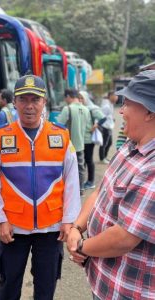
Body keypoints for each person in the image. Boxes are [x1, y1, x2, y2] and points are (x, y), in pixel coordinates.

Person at [0, 75, 81, 300]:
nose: (29, 106)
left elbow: (72, 181)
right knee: (9, 285)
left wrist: (69, 220)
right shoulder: (0, 138)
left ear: (44, 102)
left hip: (51, 229)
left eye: (35, 100)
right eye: (24, 99)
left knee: (46, 287)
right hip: (14, 228)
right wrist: (0, 219)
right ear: (15, 102)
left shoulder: (61, 137)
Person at [67, 70, 155, 300]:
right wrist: (77, 228)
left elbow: (125, 238)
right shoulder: (130, 145)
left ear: (149, 113)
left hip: (128, 292)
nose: (122, 111)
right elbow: (101, 189)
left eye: (128, 103)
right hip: (105, 282)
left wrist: (81, 247)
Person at [57, 89, 90, 195]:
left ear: (68, 96)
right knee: (80, 167)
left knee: (67, 168)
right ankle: (81, 189)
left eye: (65, 98)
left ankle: (69, 190)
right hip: (81, 144)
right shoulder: (86, 109)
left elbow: (59, 125)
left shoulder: (67, 109)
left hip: (68, 145)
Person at [79, 91, 106, 190]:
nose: (80, 100)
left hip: (89, 139)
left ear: (86, 98)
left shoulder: (92, 108)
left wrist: (96, 125)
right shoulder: (79, 108)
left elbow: (103, 118)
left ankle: (91, 181)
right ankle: (84, 180)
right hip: (81, 138)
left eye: (82, 98)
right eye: (79, 98)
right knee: (84, 161)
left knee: (89, 160)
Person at [99, 91, 118, 164]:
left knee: (109, 142)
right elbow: (102, 116)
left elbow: (109, 115)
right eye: (115, 96)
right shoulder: (106, 105)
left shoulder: (110, 103)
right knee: (104, 143)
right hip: (105, 126)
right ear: (110, 96)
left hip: (109, 126)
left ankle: (104, 156)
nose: (116, 97)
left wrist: (112, 119)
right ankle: (102, 158)